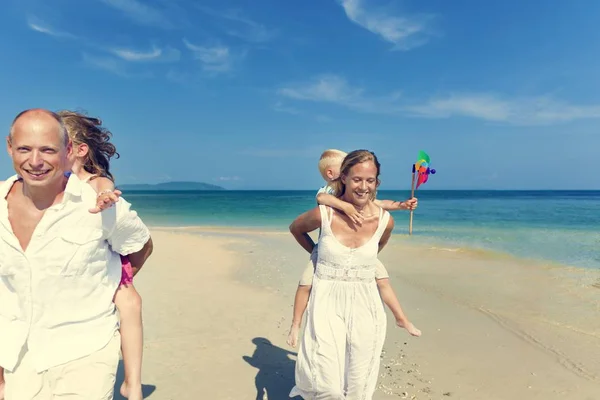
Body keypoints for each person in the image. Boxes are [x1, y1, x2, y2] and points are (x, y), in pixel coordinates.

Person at [0, 109, 153, 400]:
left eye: (47, 150)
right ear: (9, 146)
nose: (35, 161)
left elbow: (141, 245)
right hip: (19, 358)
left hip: (85, 350)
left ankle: (132, 384)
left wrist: (111, 282)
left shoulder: (99, 204)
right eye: (24, 149)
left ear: (68, 150)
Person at [288, 149, 420, 400]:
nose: (363, 186)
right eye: (357, 179)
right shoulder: (323, 213)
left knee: (358, 386)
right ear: (344, 178)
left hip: (366, 304)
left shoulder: (386, 221)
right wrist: (318, 253)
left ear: (377, 183)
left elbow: (376, 252)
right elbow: (296, 229)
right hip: (326, 301)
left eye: (370, 180)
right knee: (328, 386)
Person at [57, 110, 144, 400]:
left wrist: (105, 197)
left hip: (109, 257)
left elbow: (103, 184)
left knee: (130, 303)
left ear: (80, 150)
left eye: (57, 143)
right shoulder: (50, 180)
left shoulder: (89, 181)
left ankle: (132, 382)